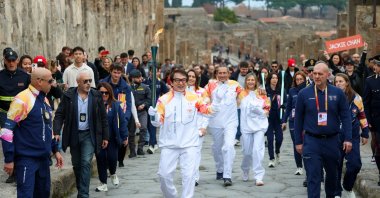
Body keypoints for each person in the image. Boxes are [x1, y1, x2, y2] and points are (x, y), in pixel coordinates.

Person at [148, 69, 216, 198]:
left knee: (189, 176)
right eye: (177, 80)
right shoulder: (163, 100)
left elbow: (207, 111)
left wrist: (216, 103)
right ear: (171, 82)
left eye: (183, 80)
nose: (181, 83)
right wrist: (154, 116)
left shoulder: (195, 98)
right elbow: (157, 123)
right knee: (163, 175)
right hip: (169, 144)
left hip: (189, 143)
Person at [0, 67, 63, 197]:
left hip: (43, 159)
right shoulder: (22, 99)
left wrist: (55, 150)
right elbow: (6, 131)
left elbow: (48, 128)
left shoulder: (44, 99)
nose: (53, 84)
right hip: (26, 160)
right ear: (39, 81)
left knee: (43, 194)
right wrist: (9, 159)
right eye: (50, 81)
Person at [294, 61, 352, 198]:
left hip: (332, 141)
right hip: (311, 141)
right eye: (314, 73)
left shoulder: (337, 93)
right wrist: (298, 141)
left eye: (320, 74)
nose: (317, 76)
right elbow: (298, 120)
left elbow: (346, 117)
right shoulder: (304, 93)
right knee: (313, 178)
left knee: (332, 177)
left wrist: (348, 138)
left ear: (327, 75)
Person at [53, 71, 109, 198]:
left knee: (85, 162)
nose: (88, 83)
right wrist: (56, 131)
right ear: (78, 82)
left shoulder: (96, 95)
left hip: (89, 135)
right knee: (77, 164)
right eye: (85, 81)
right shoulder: (68, 96)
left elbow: (103, 117)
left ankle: (83, 194)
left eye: (90, 81)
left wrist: (105, 136)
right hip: (74, 134)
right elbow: (59, 114)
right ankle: (80, 188)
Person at [204, 65, 242, 186]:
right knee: (217, 148)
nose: (222, 75)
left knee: (228, 147)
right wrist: (207, 104)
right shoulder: (210, 85)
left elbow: (245, 94)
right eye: (220, 73)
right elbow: (203, 96)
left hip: (231, 121)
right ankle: (220, 169)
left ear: (228, 74)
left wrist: (259, 92)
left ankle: (227, 175)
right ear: (216, 74)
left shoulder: (235, 85)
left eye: (224, 73)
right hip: (215, 122)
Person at [333, 73, 369, 198]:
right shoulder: (331, 96)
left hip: (352, 135)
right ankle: (336, 192)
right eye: (336, 82)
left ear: (347, 83)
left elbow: (362, 115)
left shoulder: (356, 98)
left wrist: (365, 132)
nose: (338, 84)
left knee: (355, 164)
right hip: (335, 136)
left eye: (341, 81)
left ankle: (347, 187)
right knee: (335, 165)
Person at [0, 49, 30, 183]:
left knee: (21, 141)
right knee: (7, 141)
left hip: (22, 115)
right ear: (4, 61)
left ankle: (20, 170)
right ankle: (11, 169)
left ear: (17, 61)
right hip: (5, 114)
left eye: (13, 60)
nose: (11, 63)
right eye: (8, 60)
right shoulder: (0, 76)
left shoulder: (25, 76)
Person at [95, 82, 128, 192]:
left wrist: (124, 136)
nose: (104, 95)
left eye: (106, 93)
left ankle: (113, 173)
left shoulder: (115, 104)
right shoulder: (94, 105)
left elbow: (122, 121)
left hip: (113, 137)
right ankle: (103, 182)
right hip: (99, 138)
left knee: (112, 159)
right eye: (101, 93)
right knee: (101, 160)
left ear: (110, 93)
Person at [238, 73, 270, 186]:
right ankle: (245, 169)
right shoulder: (240, 94)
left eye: (252, 80)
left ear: (256, 81)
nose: (251, 82)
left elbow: (267, 107)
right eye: (248, 80)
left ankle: (258, 176)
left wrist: (262, 112)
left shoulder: (261, 93)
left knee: (257, 150)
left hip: (259, 126)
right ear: (246, 81)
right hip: (246, 127)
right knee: (247, 152)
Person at [186, 69, 209, 186]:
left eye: (193, 77)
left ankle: (194, 177)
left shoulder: (202, 92)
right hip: (184, 128)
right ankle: (188, 174)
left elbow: (206, 111)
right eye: (189, 76)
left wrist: (204, 126)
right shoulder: (181, 92)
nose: (190, 78)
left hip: (198, 126)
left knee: (196, 152)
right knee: (186, 154)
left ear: (196, 79)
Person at [282, 71, 306, 175]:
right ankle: (299, 166)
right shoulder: (292, 91)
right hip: (293, 121)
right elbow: (288, 108)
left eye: (301, 79)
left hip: (305, 121)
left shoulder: (308, 90)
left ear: (304, 80)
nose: (299, 81)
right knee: (296, 143)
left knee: (306, 144)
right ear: (295, 81)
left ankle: (308, 165)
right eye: (297, 79)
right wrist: (284, 121)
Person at [144, 65, 169, 154]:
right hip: (146, 107)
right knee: (147, 125)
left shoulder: (160, 83)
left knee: (152, 126)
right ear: (150, 72)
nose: (154, 73)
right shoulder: (145, 82)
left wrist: (161, 103)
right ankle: (154, 143)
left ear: (159, 72)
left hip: (156, 108)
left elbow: (167, 94)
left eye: (157, 71)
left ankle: (152, 145)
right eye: (152, 71)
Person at [363, 56, 380, 185]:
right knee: (379, 148)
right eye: (377, 65)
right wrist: (368, 120)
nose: (376, 67)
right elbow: (366, 103)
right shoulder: (370, 81)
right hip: (377, 120)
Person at [129, 69, 151, 156]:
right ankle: (132, 151)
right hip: (132, 113)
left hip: (142, 112)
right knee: (131, 132)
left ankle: (140, 148)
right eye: (138, 77)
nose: (141, 78)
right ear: (133, 78)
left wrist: (144, 105)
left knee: (144, 128)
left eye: (140, 76)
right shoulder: (128, 88)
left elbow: (149, 99)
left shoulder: (145, 87)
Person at [265, 72, 285, 167]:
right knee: (269, 139)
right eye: (273, 78)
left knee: (279, 139)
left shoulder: (281, 90)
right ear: (270, 79)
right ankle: (271, 158)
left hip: (278, 118)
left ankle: (277, 151)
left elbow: (286, 102)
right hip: (268, 118)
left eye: (276, 78)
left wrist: (283, 105)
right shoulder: (265, 90)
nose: (274, 79)